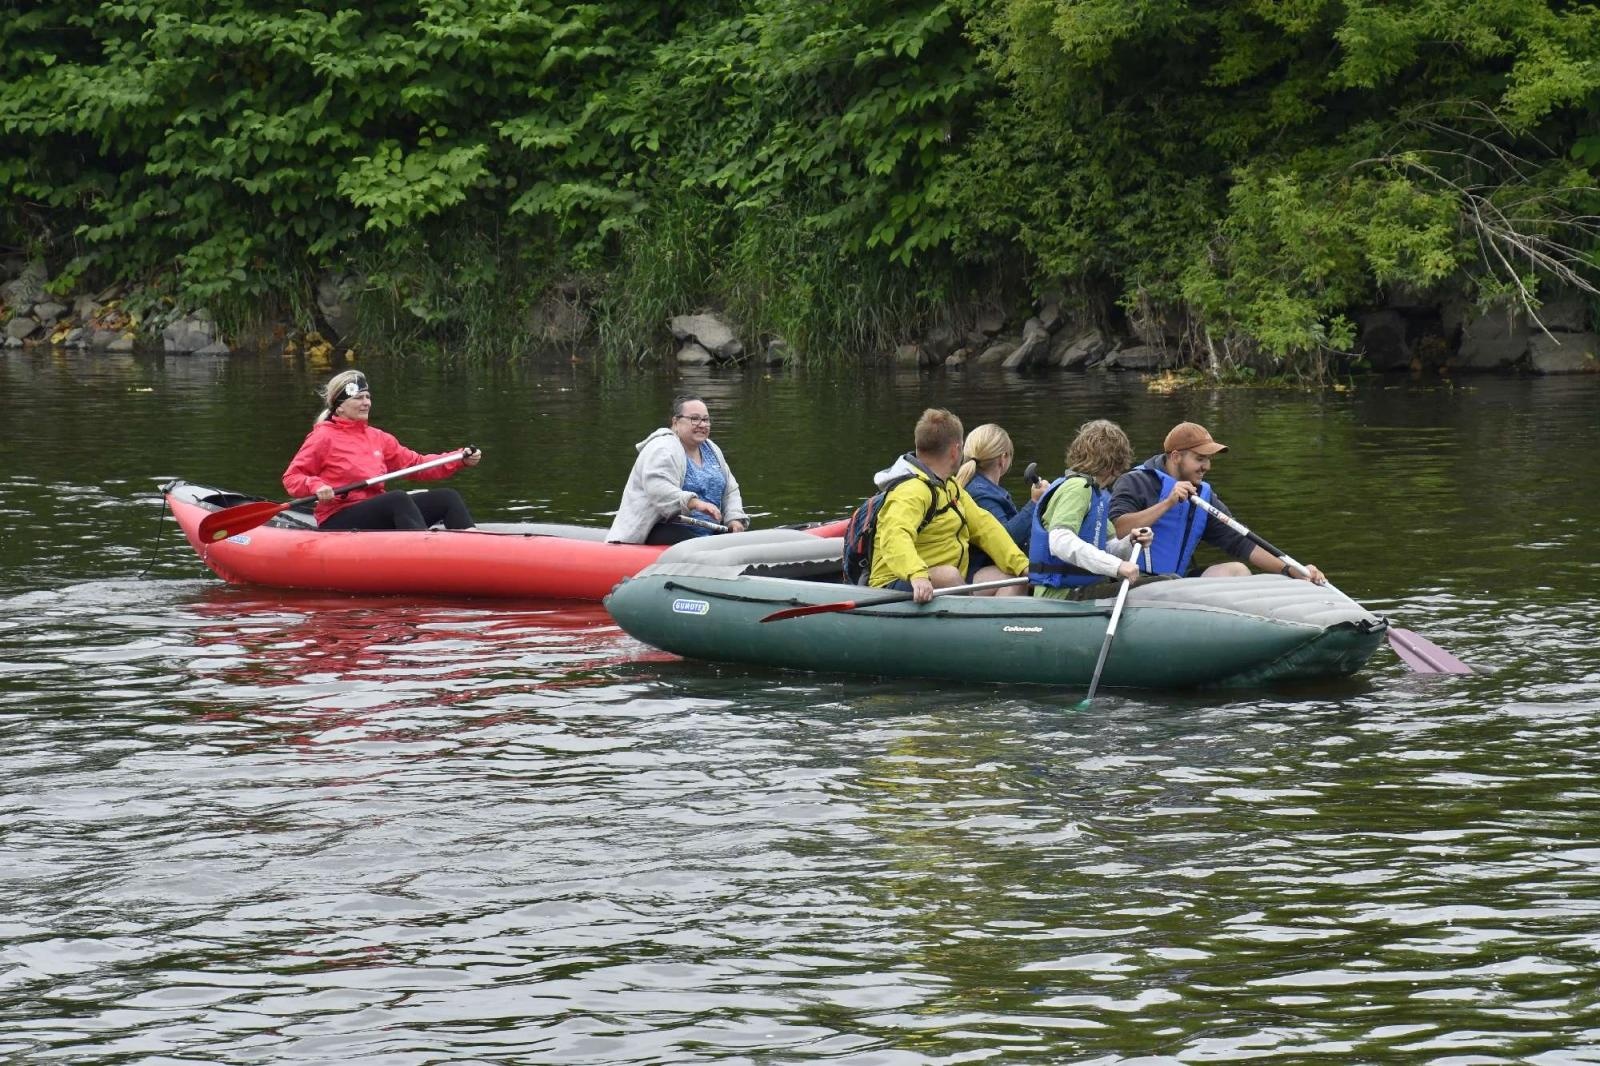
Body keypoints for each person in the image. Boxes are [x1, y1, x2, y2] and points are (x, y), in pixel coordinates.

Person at [1109, 421, 1325, 582]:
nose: (1207, 467)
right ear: (1176, 456)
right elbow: (1120, 529)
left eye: (1209, 459)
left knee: (1237, 570)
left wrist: (1291, 569)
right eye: (1200, 459)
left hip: (1176, 582)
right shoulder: (1135, 481)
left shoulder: (1202, 494)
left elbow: (1243, 542)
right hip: (1135, 582)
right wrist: (1168, 502)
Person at [282, 370, 481, 531]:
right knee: (397, 499)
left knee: (446, 497)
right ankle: (423, 552)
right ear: (339, 407)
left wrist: (458, 458)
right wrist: (315, 486)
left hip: (377, 510)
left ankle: (475, 548)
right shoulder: (323, 437)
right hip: (338, 517)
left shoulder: (378, 437)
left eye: (368, 397)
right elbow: (292, 477)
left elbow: (417, 465)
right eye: (359, 398)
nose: (366, 402)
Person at [867, 408, 1030, 603]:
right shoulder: (911, 491)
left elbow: (985, 528)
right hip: (898, 582)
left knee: (1015, 579)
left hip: (946, 582)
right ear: (956, 450)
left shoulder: (950, 486)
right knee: (948, 575)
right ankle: (970, 623)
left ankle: (1001, 629)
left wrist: (1022, 565)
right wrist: (917, 575)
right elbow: (895, 535)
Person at [1030, 420, 1155, 599]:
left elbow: (1107, 549)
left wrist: (1131, 541)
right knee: (1163, 585)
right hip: (1062, 594)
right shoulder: (1078, 488)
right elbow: (1060, 541)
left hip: (1085, 587)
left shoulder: (1097, 494)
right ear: (1114, 463)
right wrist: (1116, 566)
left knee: (1168, 581)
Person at [607, 395, 749, 545]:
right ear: (675, 422)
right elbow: (658, 489)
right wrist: (694, 503)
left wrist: (734, 519)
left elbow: (730, 490)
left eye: (706, 420)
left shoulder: (712, 449)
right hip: (662, 528)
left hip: (708, 530)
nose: (702, 425)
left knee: (738, 541)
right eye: (694, 419)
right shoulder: (662, 447)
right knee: (691, 541)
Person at [954, 422, 1048, 574]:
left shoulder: (977, 487)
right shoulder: (980, 494)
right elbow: (1005, 538)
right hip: (982, 573)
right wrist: (1035, 502)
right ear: (1003, 458)